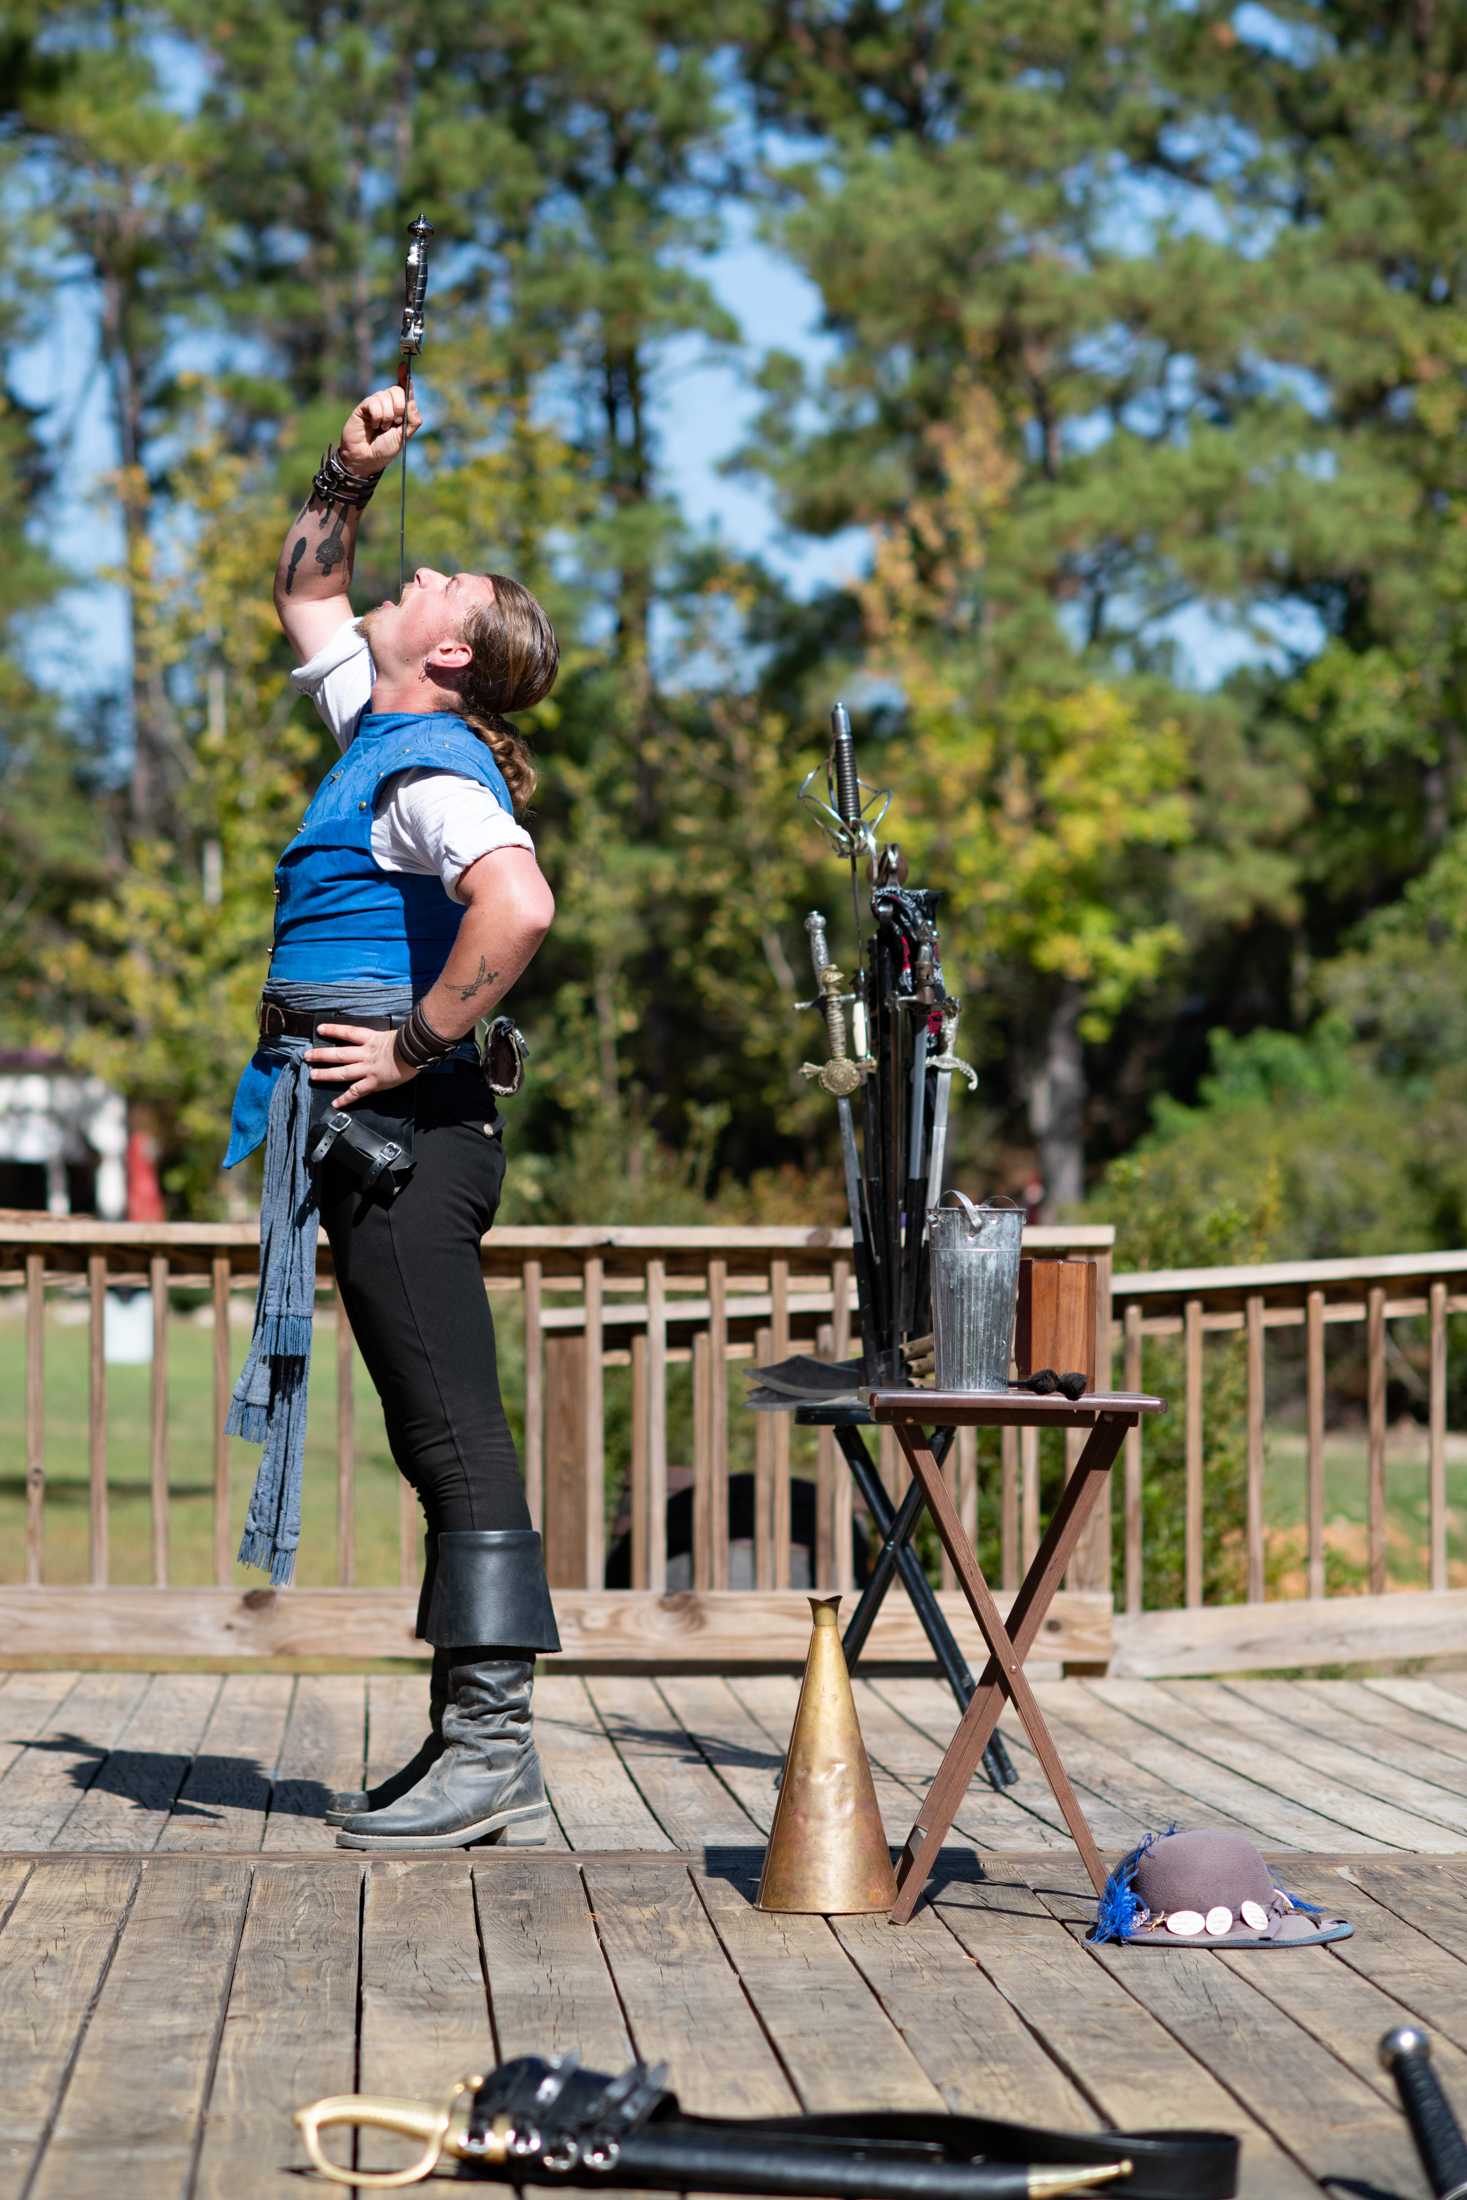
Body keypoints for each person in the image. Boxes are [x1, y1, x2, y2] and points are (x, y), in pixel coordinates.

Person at [222, 383, 561, 1851]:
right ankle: (466, 1748)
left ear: (452, 650)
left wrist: (423, 1038)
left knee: (451, 1434)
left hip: (415, 1143)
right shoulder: (379, 722)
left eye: (434, 584)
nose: (407, 579)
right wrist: (345, 472)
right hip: (380, 1144)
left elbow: (521, 906)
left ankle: (495, 1754)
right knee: (434, 1433)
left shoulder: (431, 764)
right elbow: (308, 581)